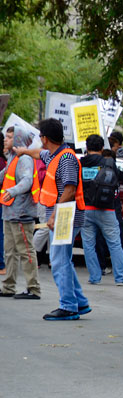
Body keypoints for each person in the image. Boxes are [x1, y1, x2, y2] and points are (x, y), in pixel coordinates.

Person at [14, 118, 91, 320]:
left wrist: (55, 215)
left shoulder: (66, 158)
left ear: (45, 138)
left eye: (40, 136)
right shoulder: (55, 154)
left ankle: (68, 306)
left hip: (65, 215)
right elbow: (39, 154)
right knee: (63, 260)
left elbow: (70, 190)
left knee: (58, 262)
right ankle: (79, 303)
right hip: (62, 214)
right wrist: (23, 152)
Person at [79, 134, 123, 287]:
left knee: (89, 244)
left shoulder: (80, 163)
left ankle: (95, 277)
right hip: (107, 209)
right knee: (114, 242)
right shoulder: (108, 163)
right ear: (102, 148)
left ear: (86, 147)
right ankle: (120, 277)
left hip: (86, 208)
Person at [0, 126, 41, 299]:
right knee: (10, 252)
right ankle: (8, 287)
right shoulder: (12, 158)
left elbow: (26, 181)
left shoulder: (24, 159)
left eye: (9, 137)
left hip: (21, 213)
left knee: (25, 251)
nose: (5, 140)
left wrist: (14, 191)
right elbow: (3, 175)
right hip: (10, 212)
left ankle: (33, 289)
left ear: (17, 140)